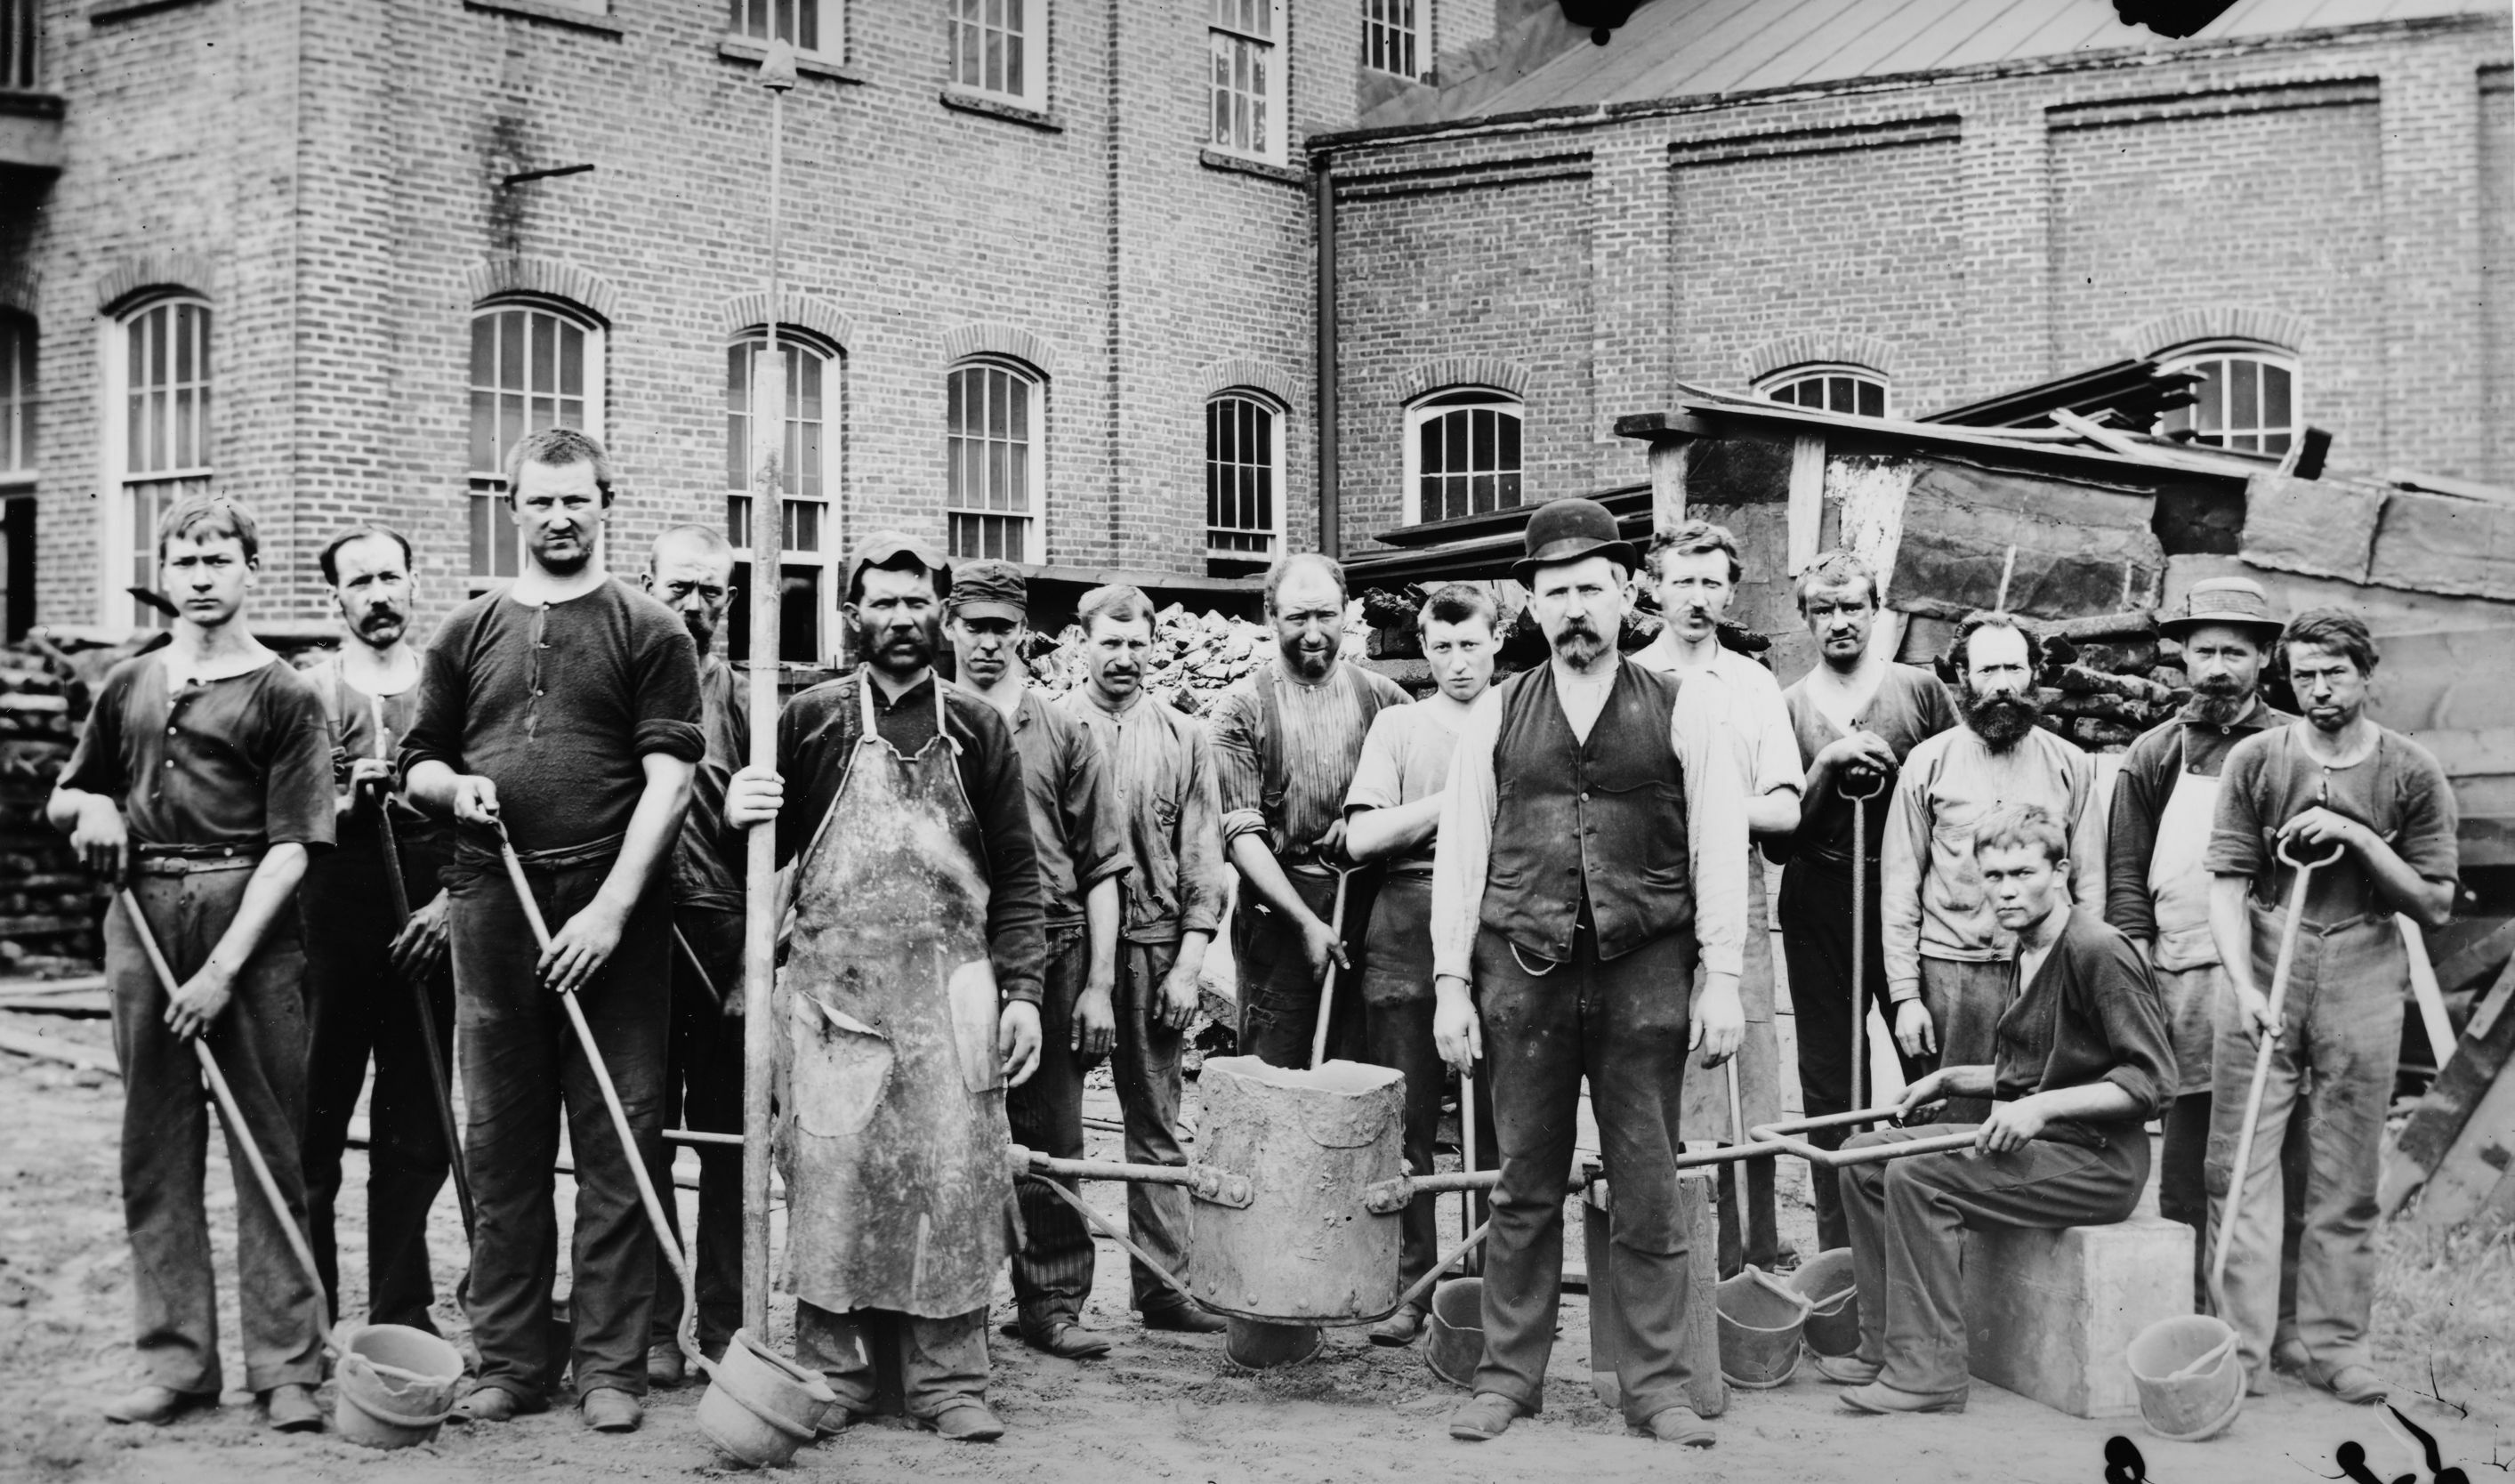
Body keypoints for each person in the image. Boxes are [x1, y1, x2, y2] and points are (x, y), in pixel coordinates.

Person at [1428, 496, 1747, 1448]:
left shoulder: (1683, 707)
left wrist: (1720, 975)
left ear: (1625, 595)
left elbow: (1720, 847)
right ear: (1532, 602)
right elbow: (1461, 851)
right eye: (1557, 591)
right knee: (1523, 1180)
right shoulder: (1493, 711)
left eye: (1592, 589)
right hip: (1520, 970)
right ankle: (1507, 1379)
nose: (1576, 608)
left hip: (1643, 966)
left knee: (1647, 1178)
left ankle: (1655, 1387)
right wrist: (1451, 981)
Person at [403, 429, 705, 1433]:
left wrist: (611, 909)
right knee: (501, 1141)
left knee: (621, 1139)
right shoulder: (467, 628)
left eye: (577, 500)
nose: (559, 519)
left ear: (604, 503)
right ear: (514, 507)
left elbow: (669, 782)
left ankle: (611, 1365)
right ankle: (510, 1359)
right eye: (541, 503)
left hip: (613, 914)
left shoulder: (651, 628)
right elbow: (418, 763)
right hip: (492, 901)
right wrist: (456, 787)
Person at [724, 533, 1048, 1443]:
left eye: (917, 603)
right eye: (883, 603)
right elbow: (756, 861)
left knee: (953, 1179)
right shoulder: (810, 719)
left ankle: (950, 1379)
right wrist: (737, 810)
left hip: (954, 990)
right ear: (852, 614)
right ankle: (839, 1370)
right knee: (834, 1179)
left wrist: (1021, 989)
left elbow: (1019, 878)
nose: (901, 619)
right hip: (838, 993)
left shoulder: (979, 729)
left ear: (938, 615)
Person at [52, 496, 335, 1432]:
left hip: (247, 922)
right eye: (186, 561)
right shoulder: (129, 683)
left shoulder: (285, 694)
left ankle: (286, 1365)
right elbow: (73, 792)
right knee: (155, 1148)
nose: (203, 576)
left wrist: (222, 967)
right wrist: (89, 810)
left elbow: (295, 846)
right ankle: (176, 1362)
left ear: (253, 569)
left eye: (220, 558)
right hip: (139, 916)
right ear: (164, 574)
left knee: (270, 1148)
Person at [1826, 803, 2173, 1416]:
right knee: (1863, 1158)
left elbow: (2150, 1083)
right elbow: (2051, 1065)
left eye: (2021, 873)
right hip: (2048, 1145)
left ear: (2059, 870)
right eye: (1992, 877)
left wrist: (2038, 1108)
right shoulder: (2027, 946)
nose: (2006, 891)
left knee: (1919, 1175)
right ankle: (1883, 1346)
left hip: (2098, 1162)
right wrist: (1950, 1077)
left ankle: (1928, 1372)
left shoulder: (2097, 950)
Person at [2204, 609, 2457, 1407]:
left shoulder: (2411, 771)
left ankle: (2332, 1345)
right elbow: (2226, 886)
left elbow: (2435, 903)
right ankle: (2239, 1352)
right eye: (2304, 675)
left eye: (2334, 673)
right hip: (2270, 958)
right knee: (2240, 1167)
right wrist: (2242, 984)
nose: (2318, 690)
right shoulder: (2256, 759)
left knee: (2344, 1174)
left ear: (2365, 672)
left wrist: (2355, 835)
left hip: (2363, 964)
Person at [943, 561, 1132, 1360]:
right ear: (947, 627)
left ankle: (1051, 1303)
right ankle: (946, 1312)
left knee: (1049, 1136)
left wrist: (1097, 985)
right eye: (972, 626)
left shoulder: (1063, 732)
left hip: (1049, 946)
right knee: (942, 1132)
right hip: (947, 951)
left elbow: (1101, 868)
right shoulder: (927, 719)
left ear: (1023, 633)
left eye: (1000, 628)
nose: (986, 643)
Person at [2104, 577, 2306, 1309]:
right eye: (2203, 652)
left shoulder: (2292, 747)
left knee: (2275, 1149)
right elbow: (2125, 881)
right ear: (2181, 659)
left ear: (2264, 657)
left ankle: (2277, 1314)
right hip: (2182, 977)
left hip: (2269, 975)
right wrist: (2136, 979)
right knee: (2187, 1158)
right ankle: (2190, 1308)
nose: (2217, 668)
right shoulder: (2154, 752)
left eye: (2234, 652)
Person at [1059, 584, 1233, 1340]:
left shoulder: (1184, 736)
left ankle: (1163, 1288)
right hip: (1064, 948)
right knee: (1054, 1124)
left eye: (1137, 644)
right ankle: (1053, 1298)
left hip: (1157, 947)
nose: (1123, 658)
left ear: (1152, 645)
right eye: (1109, 642)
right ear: (1081, 643)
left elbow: (1204, 857)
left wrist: (1189, 964)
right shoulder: (1049, 724)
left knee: (1157, 1123)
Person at [296, 525, 458, 1337]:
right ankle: (310, 1311)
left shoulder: (445, 684)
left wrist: (449, 909)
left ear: (415, 581)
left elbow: (489, 810)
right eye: (360, 583)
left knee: (416, 1131)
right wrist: (342, 804)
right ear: (336, 598)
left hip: (430, 926)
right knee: (316, 1119)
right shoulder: (307, 691)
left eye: (391, 577)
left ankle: (402, 1308)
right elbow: (278, 821)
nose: (379, 595)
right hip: (332, 926)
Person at [1630, 520, 1802, 1274]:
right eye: (1682, 580)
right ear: (1653, 587)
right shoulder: (1628, 679)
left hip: (1736, 895)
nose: (1696, 597)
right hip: (1648, 899)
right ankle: (1671, 1257)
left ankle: (1752, 1260)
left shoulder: (1753, 684)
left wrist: (1701, 805)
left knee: (1749, 1077)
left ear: (1730, 592)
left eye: (1711, 583)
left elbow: (1784, 809)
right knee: (1653, 1070)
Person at [1777, 551, 1957, 1251]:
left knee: (1926, 1059)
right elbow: (1778, 841)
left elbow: (1947, 785)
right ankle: (1841, 1248)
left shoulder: (1918, 691)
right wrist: (1824, 766)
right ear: (1804, 619)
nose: (1839, 621)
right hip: (1818, 894)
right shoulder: (1787, 707)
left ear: (1874, 610)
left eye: (1852, 606)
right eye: (1823, 609)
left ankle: (1933, 1231)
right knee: (1830, 1078)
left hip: (1908, 897)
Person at [1342, 582, 1502, 1346]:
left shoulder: (1521, 715)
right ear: (1424, 649)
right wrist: (1457, 800)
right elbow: (1363, 839)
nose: (1456, 661)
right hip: (1406, 920)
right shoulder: (1398, 725)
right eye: (1441, 646)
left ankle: (1496, 1286)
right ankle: (1415, 1287)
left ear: (1495, 641)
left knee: (1501, 1125)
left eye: (1470, 643)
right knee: (1406, 1124)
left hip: (1503, 922)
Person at [1882, 611, 2102, 1122]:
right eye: (1986, 671)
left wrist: (2079, 986)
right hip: (1951, 978)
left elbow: (2091, 886)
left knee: (2033, 1123)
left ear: (2034, 674)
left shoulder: (2071, 765)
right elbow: (1899, 887)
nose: (2002, 685)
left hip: (2046, 974)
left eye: (2014, 669)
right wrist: (1905, 996)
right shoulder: (1927, 764)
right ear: (1963, 676)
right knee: (1947, 1127)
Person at [1209, 552, 1411, 1068]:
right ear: (1269, 617)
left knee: (1360, 1064)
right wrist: (1303, 922)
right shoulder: (1243, 708)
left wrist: (1367, 818)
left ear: (1348, 611)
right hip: (1278, 913)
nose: (1314, 632)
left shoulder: (1386, 702)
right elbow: (1239, 836)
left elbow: (1418, 805)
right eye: (1298, 617)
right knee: (1273, 1068)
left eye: (1326, 615)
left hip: (1369, 906)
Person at [637, 524, 748, 1384]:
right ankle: (648, 1323)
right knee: (635, 1134)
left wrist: (754, 962)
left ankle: (722, 1328)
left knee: (723, 1139)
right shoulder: (621, 685)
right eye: (680, 587)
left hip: (720, 933)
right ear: (648, 585)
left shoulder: (748, 701)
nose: (695, 604)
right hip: (634, 929)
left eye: (712, 589)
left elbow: (788, 850)